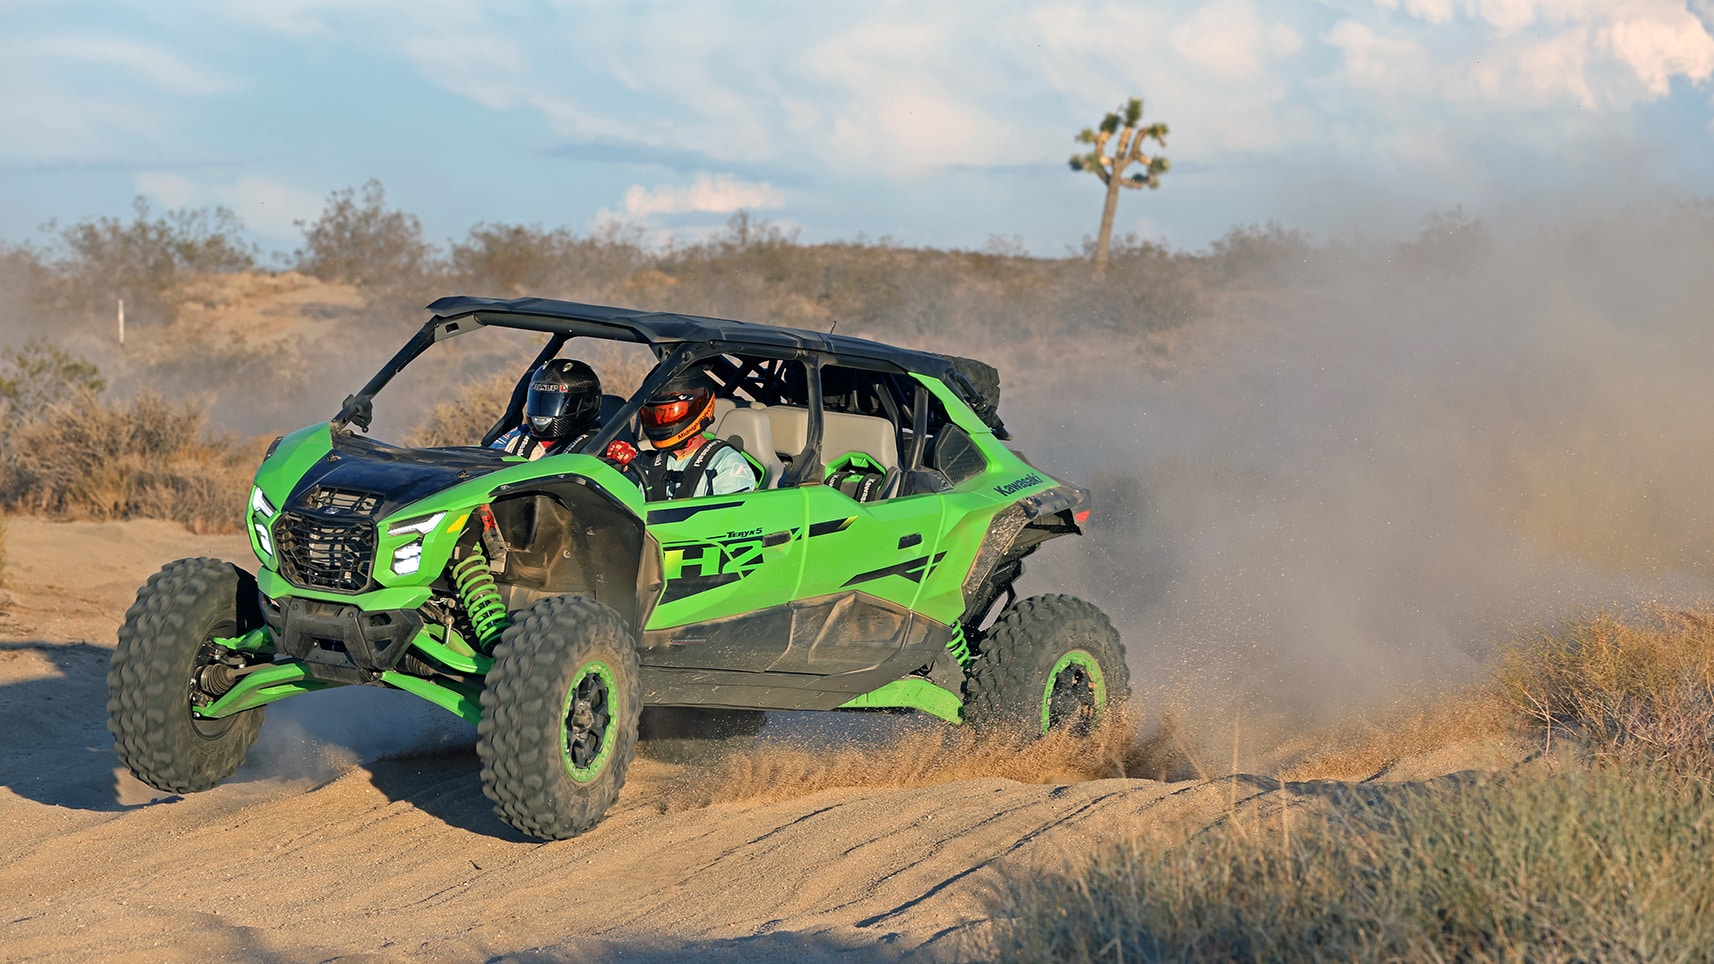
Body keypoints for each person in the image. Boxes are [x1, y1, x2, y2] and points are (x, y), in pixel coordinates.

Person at [618, 368, 756, 500]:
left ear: (698, 406)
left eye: (671, 412)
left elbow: (731, 515)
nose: (662, 420)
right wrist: (623, 468)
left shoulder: (726, 463)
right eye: (656, 414)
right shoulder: (646, 463)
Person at [489, 358, 602, 460]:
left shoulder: (599, 445)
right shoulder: (518, 434)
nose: (546, 407)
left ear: (587, 403)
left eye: (553, 402)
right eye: (541, 401)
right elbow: (487, 460)